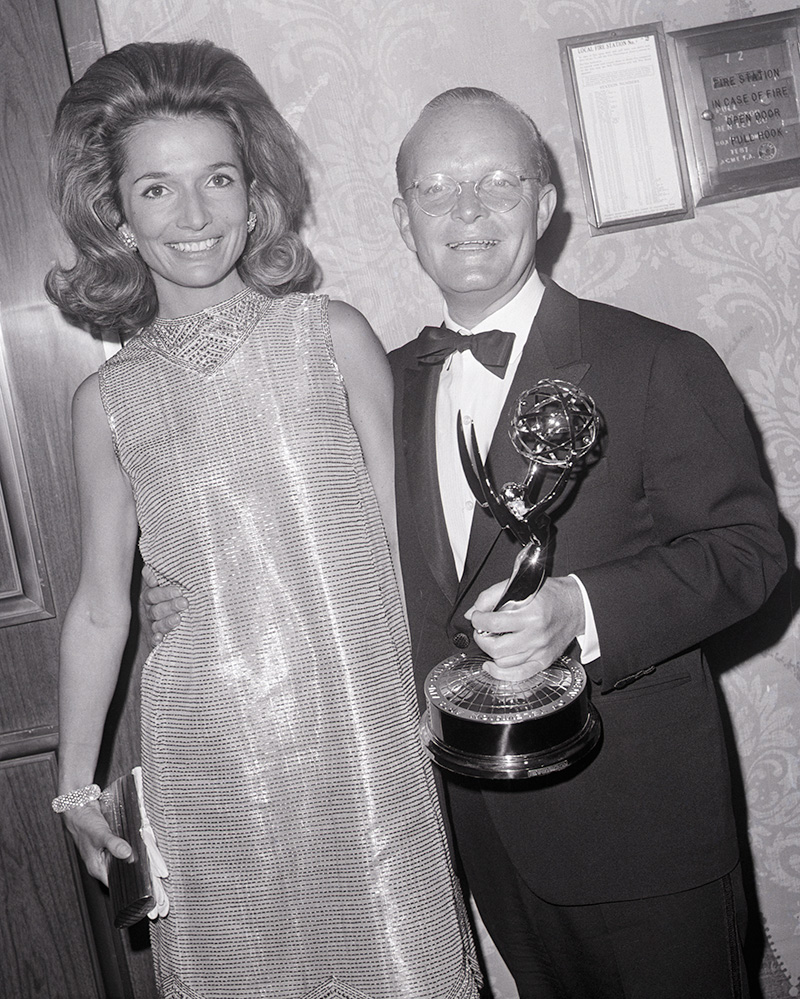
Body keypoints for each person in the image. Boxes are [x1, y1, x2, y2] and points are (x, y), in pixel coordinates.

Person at [146, 86, 787, 999]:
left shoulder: (655, 359)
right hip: (476, 828)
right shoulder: (374, 386)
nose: (469, 210)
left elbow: (751, 550)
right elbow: (308, 551)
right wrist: (186, 593)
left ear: (545, 201)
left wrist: (581, 611)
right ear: (403, 221)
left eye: (497, 182)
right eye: (438, 189)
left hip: (642, 829)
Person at [46, 42, 480, 999]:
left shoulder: (332, 335)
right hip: (210, 751)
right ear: (117, 216)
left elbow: (413, 546)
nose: (194, 215)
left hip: (364, 733)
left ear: (254, 195)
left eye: (218, 179)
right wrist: (76, 783)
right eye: (156, 189)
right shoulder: (107, 399)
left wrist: (438, 691)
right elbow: (100, 605)